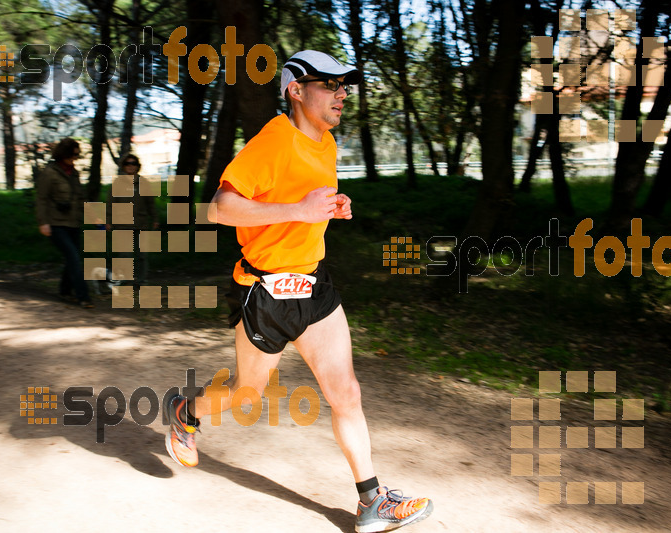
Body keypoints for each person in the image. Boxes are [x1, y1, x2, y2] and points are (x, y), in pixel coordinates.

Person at [163, 51, 433, 532]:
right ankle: (187, 411)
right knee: (247, 392)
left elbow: (308, 201)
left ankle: (372, 501)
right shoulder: (273, 139)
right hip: (264, 290)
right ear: (296, 90)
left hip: (313, 282)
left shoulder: (326, 142)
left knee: (346, 392)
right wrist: (298, 211)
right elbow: (221, 209)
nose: (341, 94)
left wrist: (331, 206)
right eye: (329, 85)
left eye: (343, 86)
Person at [35, 138, 93, 309]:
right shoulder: (49, 173)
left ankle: (65, 290)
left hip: (73, 222)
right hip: (55, 223)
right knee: (74, 259)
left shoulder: (73, 173)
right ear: (64, 153)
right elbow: (41, 199)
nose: (75, 157)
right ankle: (84, 296)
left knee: (72, 258)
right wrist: (43, 222)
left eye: (77, 154)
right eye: (72, 154)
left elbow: (80, 197)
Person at [107, 153, 158, 286]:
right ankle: (125, 279)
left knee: (142, 255)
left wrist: (155, 219)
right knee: (125, 254)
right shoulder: (117, 183)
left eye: (133, 163)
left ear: (137, 166)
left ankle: (141, 280)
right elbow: (110, 203)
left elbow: (150, 203)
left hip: (141, 224)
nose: (130, 166)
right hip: (122, 225)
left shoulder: (144, 183)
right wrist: (108, 221)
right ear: (123, 166)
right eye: (127, 164)